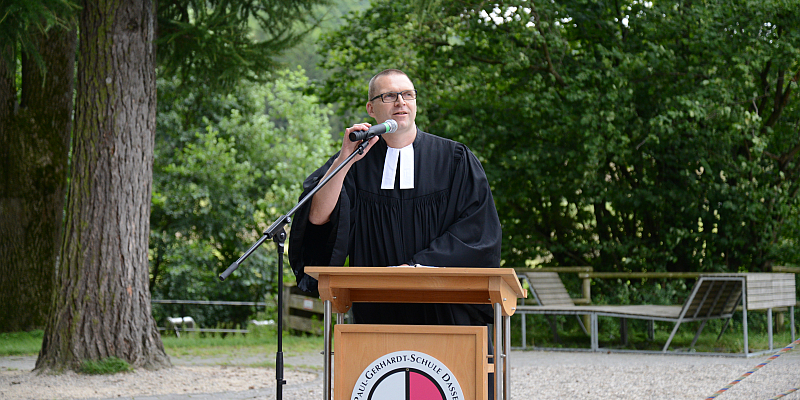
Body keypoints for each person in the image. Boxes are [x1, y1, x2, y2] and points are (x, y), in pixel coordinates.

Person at [288, 69, 501, 326]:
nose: (401, 102)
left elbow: (477, 229)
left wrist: (416, 268)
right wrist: (343, 160)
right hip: (376, 307)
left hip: (444, 307)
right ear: (371, 108)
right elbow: (317, 217)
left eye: (407, 94)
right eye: (389, 96)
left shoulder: (453, 159)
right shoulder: (354, 162)